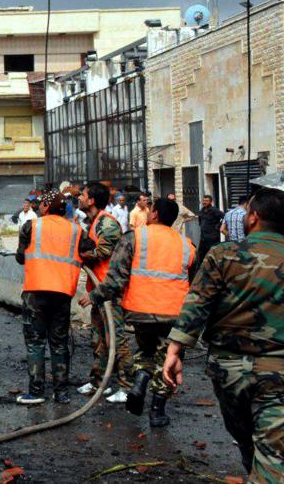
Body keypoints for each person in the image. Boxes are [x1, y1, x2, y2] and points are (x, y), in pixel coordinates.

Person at [162, 188, 284, 482]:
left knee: (252, 442)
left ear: (253, 217)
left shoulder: (223, 254)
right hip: (278, 371)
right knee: (268, 447)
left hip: (229, 371)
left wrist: (174, 351)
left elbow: (197, 304)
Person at [90, 197, 196, 428]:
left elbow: (115, 279)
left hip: (141, 312)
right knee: (168, 358)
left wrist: (95, 296)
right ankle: (157, 410)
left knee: (146, 351)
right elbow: (196, 284)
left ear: (155, 214)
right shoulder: (186, 244)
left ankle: (140, 380)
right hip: (175, 314)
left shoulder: (135, 237)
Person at [12, 190, 88, 405]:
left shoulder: (31, 226)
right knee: (59, 344)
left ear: (46, 207)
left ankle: (36, 392)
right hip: (62, 294)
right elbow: (89, 252)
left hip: (35, 293)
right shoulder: (76, 230)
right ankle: (61, 393)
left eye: (41, 205)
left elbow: (20, 257)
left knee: (36, 343)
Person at [76, 182, 132, 403]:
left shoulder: (107, 224)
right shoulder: (93, 222)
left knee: (116, 340)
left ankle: (126, 387)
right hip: (99, 291)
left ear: (91, 200)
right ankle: (99, 382)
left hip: (110, 291)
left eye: (82, 194)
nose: (79, 197)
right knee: (98, 339)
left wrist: (78, 252)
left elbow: (102, 252)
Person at [198, 194, 225, 260]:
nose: (204, 202)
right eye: (204, 201)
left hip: (212, 238)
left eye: (207, 201)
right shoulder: (201, 211)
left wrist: (219, 225)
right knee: (201, 255)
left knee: (213, 255)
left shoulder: (214, 210)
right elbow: (200, 221)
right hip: (203, 238)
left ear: (210, 202)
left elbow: (225, 217)